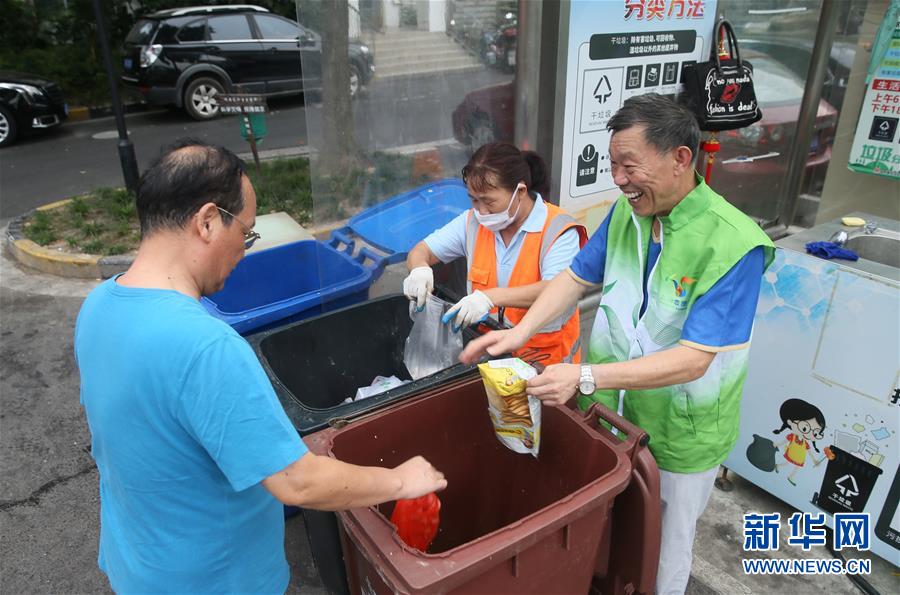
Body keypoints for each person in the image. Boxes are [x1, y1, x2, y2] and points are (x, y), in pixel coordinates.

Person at [74, 139, 447, 594]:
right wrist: (400, 480)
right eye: (246, 233)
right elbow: (297, 482)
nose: (245, 250)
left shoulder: (97, 306)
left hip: (138, 566)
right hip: (216, 582)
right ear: (208, 222)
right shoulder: (204, 345)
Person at [460, 94, 774, 595]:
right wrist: (517, 332)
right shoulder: (629, 215)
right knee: (610, 533)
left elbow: (695, 360)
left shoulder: (735, 244)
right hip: (609, 414)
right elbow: (575, 278)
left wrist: (584, 376)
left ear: (680, 158)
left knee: (662, 552)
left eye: (630, 165)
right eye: (613, 165)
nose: (620, 179)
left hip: (679, 435)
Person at [402, 142, 587, 364]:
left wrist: (489, 298)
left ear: (520, 192)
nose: (481, 211)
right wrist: (420, 269)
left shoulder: (558, 230)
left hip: (546, 364)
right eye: (473, 199)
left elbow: (557, 289)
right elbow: (421, 251)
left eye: (489, 201)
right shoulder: (473, 223)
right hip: (493, 361)